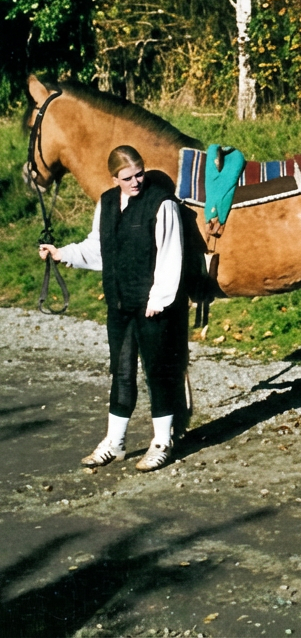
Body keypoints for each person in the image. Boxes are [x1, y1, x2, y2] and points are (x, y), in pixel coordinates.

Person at [40, 145, 190, 472]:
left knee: (158, 372)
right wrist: (61, 253)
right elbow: (98, 248)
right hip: (119, 304)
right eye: (127, 177)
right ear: (114, 179)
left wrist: (158, 299)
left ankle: (162, 442)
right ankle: (114, 442)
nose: (136, 182)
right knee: (121, 372)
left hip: (152, 306)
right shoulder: (107, 203)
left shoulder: (161, 203)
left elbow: (171, 254)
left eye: (139, 174)